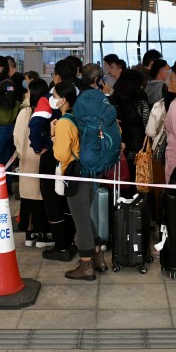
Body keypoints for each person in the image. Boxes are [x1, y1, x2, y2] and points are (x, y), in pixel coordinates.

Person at [52, 80, 107, 280]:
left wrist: (53, 134)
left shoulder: (65, 122)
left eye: (55, 96)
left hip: (76, 174)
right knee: (85, 215)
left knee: (80, 219)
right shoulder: (82, 116)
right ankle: (99, 257)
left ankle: (86, 265)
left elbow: (61, 155)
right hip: (93, 172)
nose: (53, 99)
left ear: (64, 100)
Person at [29, 77, 76, 259]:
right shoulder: (75, 111)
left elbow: (34, 126)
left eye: (54, 95)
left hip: (54, 159)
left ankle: (61, 247)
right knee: (66, 201)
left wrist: (40, 145)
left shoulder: (59, 118)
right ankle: (69, 242)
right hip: (72, 164)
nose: (51, 98)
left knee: (52, 201)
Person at [9, 82, 52, 247]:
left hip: (27, 160)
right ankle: (43, 233)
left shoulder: (24, 112)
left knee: (28, 197)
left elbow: (17, 137)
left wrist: (21, 153)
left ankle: (29, 233)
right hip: (43, 159)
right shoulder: (47, 111)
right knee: (43, 197)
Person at [110, 68, 150, 184]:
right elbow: (146, 120)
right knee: (136, 173)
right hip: (137, 143)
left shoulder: (114, 97)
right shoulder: (140, 97)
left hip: (119, 142)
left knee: (121, 172)